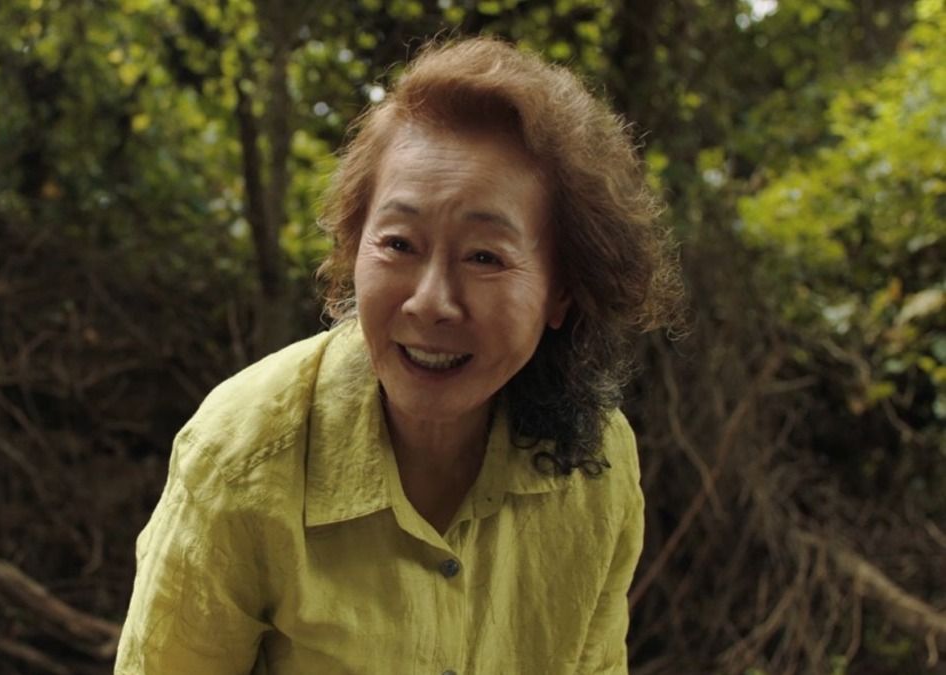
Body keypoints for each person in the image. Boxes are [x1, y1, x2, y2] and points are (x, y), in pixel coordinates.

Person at [115, 36, 683, 674]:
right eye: (399, 244)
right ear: (353, 250)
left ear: (562, 292)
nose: (430, 302)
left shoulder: (597, 466)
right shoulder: (242, 455)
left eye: (484, 257)